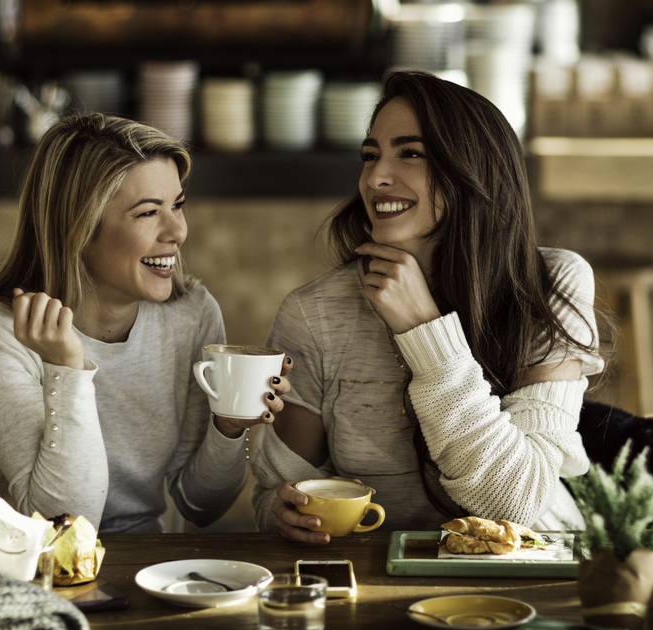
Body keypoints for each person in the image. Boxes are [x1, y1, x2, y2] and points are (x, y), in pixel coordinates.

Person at [252, 71, 605, 544]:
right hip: (376, 579)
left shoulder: (550, 285)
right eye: (370, 156)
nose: (376, 178)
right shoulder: (314, 313)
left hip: (534, 576)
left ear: (473, 171)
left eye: (411, 153)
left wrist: (425, 330)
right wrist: (282, 512)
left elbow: (517, 503)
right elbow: (276, 494)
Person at [0, 113, 291, 533]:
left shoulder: (191, 314)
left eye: (178, 205)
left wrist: (228, 427)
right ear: (77, 226)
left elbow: (201, 505)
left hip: (150, 573)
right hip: (36, 576)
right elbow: (65, 523)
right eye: (148, 213)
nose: (178, 231)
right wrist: (67, 369)